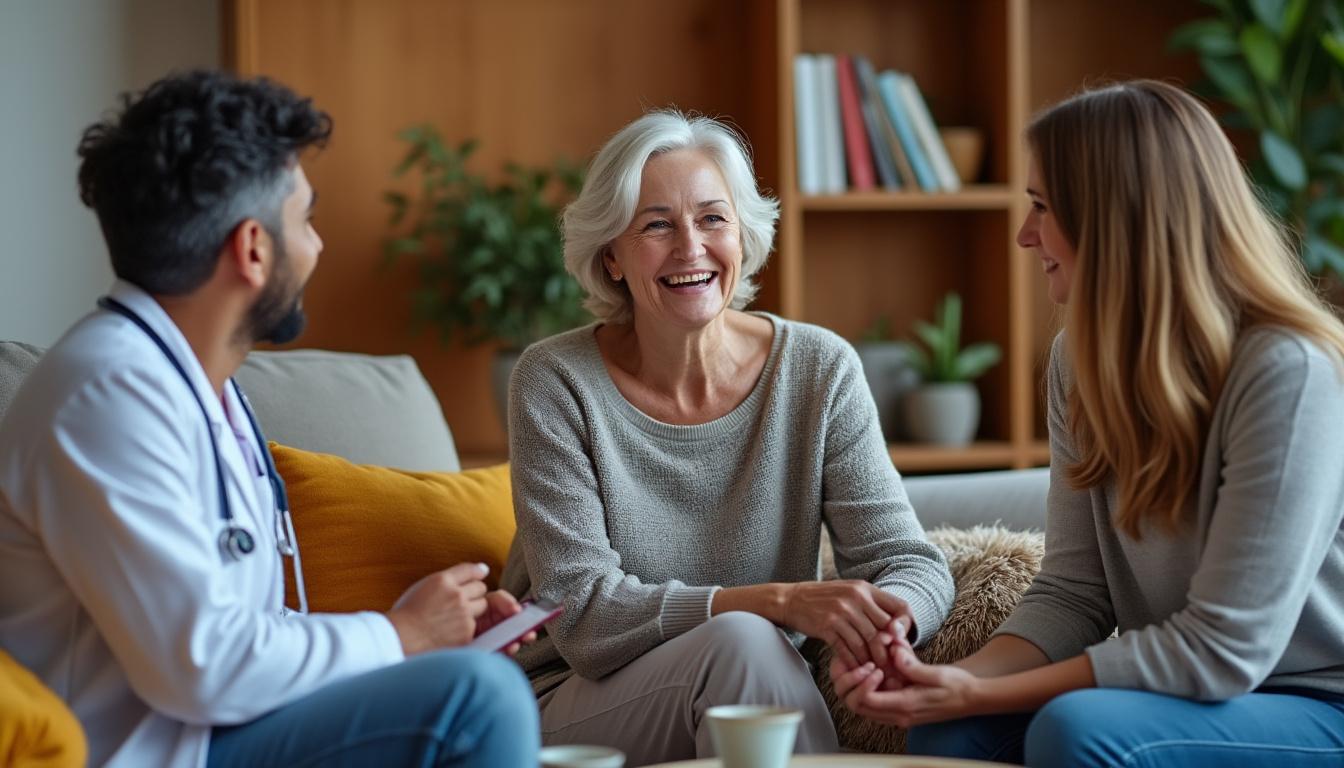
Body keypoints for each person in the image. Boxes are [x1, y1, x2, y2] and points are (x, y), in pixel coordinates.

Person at [0, 70, 540, 768]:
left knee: (465, 677)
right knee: (478, 698)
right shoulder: (106, 395)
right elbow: (203, 666)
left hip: (216, 731)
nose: (317, 247)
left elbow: (246, 635)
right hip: (156, 753)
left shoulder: (204, 391)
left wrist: (420, 637)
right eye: (306, 220)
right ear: (253, 249)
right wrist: (397, 635)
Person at [828, 80, 1344, 766]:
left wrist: (981, 695)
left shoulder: (1287, 370)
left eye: (1042, 206)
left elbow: (1224, 652)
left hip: (1316, 702)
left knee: (1076, 730)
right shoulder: (1078, 362)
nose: (1023, 235)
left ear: (1117, 217)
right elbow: (1074, 593)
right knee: (947, 734)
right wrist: (948, 683)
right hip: (1186, 693)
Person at [498, 108, 955, 765]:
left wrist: (887, 624)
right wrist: (778, 603)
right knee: (743, 640)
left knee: (747, 647)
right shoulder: (555, 381)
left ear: (743, 236)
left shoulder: (818, 370)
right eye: (657, 225)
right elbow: (584, 617)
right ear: (612, 257)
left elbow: (909, 562)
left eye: (713, 218)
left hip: (752, 682)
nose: (691, 247)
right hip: (572, 698)